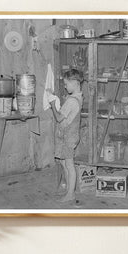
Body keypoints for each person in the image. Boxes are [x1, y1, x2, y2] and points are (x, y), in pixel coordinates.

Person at [50, 69, 83, 202]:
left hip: (68, 137)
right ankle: (69, 188)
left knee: (69, 164)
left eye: (66, 83)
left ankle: (71, 194)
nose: (64, 86)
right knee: (63, 162)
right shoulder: (77, 97)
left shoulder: (71, 101)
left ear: (75, 83)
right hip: (68, 135)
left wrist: (52, 104)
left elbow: (58, 118)